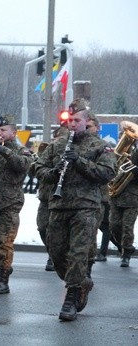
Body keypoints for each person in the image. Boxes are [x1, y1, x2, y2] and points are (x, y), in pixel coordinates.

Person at [35, 98, 116, 321]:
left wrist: (79, 161)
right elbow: (38, 168)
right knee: (57, 252)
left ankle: (70, 299)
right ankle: (81, 283)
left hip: (86, 207)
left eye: (77, 120)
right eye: (69, 120)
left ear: (86, 121)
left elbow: (107, 173)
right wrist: (53, 172)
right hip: (59, 205)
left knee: (79, 253)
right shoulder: (58, 145)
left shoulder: (100, 145)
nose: (72, 124)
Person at [0, 114, 32, 295]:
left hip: (10, 203)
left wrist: (6, 152)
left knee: (5, 242)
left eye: (3, 130)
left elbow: (23, 166)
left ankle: (3, 279)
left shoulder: (21, 150)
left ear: (13, 132)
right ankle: (5, 266)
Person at [85, 114, 122, 265]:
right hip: (84, 195)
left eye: (89, 127)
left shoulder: (103, 146)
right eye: (85, 127)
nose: (86, 130)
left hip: (101, 194)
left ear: (97, 128)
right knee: (98, 226)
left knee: (103, 225)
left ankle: (102, 252)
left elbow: (109, 171)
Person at [35, 125, 69, 272]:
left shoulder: (70, 149)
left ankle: (54, 257)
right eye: (55, 138)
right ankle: (52, 252)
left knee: (56, 229)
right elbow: (36, 169)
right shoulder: (50, 150)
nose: (56, 141)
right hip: (45, 196)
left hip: (61, 197)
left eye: (59, 138)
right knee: (42, 227)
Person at [108, 130, 138, 268]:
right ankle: (124, 247)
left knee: (127, 227)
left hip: (132, 196)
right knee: (114, 225)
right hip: (116, 195)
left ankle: (126, 253)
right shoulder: (119, 151)